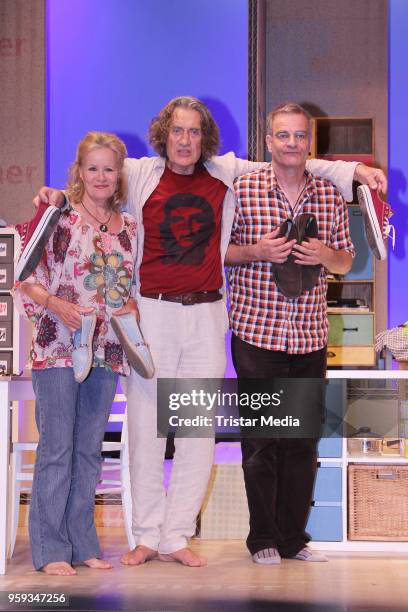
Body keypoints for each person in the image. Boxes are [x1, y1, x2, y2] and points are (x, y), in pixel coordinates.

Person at [30, 96, 386, 567]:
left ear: (205, 139)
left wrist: (355, 173)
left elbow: (291, 155)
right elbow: (97, 181)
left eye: (195, 131)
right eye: (178, 130)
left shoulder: (224, 172)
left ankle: (177, 535)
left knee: (196, 435)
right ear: (164, 134)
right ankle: (147, 535)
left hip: (205, 317)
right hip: (150, 316)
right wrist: (56, 195)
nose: (185, 140)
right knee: (146, 431)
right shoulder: (139, 173)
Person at [225, 102, 354, 565]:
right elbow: (221, 254)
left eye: (300, 136)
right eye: (284, 135)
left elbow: (347, 260)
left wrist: (324, 253)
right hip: (256, 334)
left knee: (301, 441)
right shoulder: (242, 189)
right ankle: (262, 538)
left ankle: (292, 539)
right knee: (261, 441)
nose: (292, 144)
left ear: (310, 143)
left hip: (308, 338)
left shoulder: (329, 196)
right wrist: (257, 249)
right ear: (269, 141)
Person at [13, 132, 138, 576]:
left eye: (109, 168)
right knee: (56, 450)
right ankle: (49, 549)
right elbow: (22, 276)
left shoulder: (130, 228)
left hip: (106, 350)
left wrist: (132, 306)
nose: (101, 176)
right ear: (79, 171)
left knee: (88, 451)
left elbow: (133, 286)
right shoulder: (56, 217)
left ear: (118, 174)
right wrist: (55, 304)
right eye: (93, 167)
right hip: (58, 347)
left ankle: (83, 543)